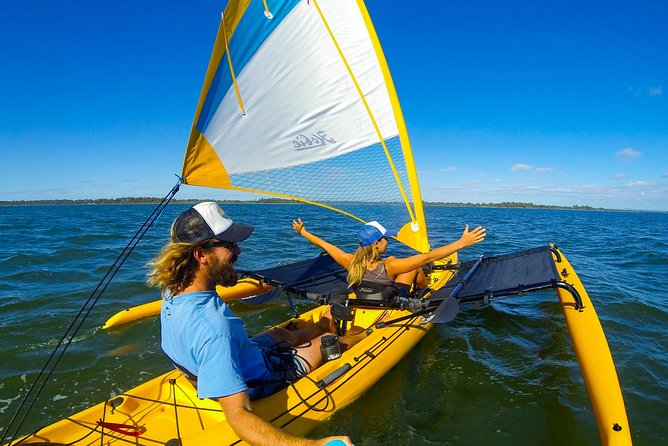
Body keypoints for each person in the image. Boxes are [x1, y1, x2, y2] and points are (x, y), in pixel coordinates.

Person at [147, 202, 354, 446]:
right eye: (230, 245)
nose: (238, 252)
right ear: (200, 254)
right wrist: (314, 445)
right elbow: (239, 417)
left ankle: (321, 325)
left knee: (282, 334)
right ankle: (352, 335)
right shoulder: (214, 330)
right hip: (259, 377)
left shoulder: (173, 290)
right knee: (329, 342)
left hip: (240, 355)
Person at [292, 218, 486, 292]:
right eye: (386, 238)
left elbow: (325, 244)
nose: (389, 241)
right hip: (388, 301)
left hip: (364, 295)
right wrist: (461, 243)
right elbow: (428, 257)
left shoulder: (350, 261)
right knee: (417, 266)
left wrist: (303, 232)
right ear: (377, 243)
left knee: (399, 261)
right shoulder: (390, 267)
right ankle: (426, 292)